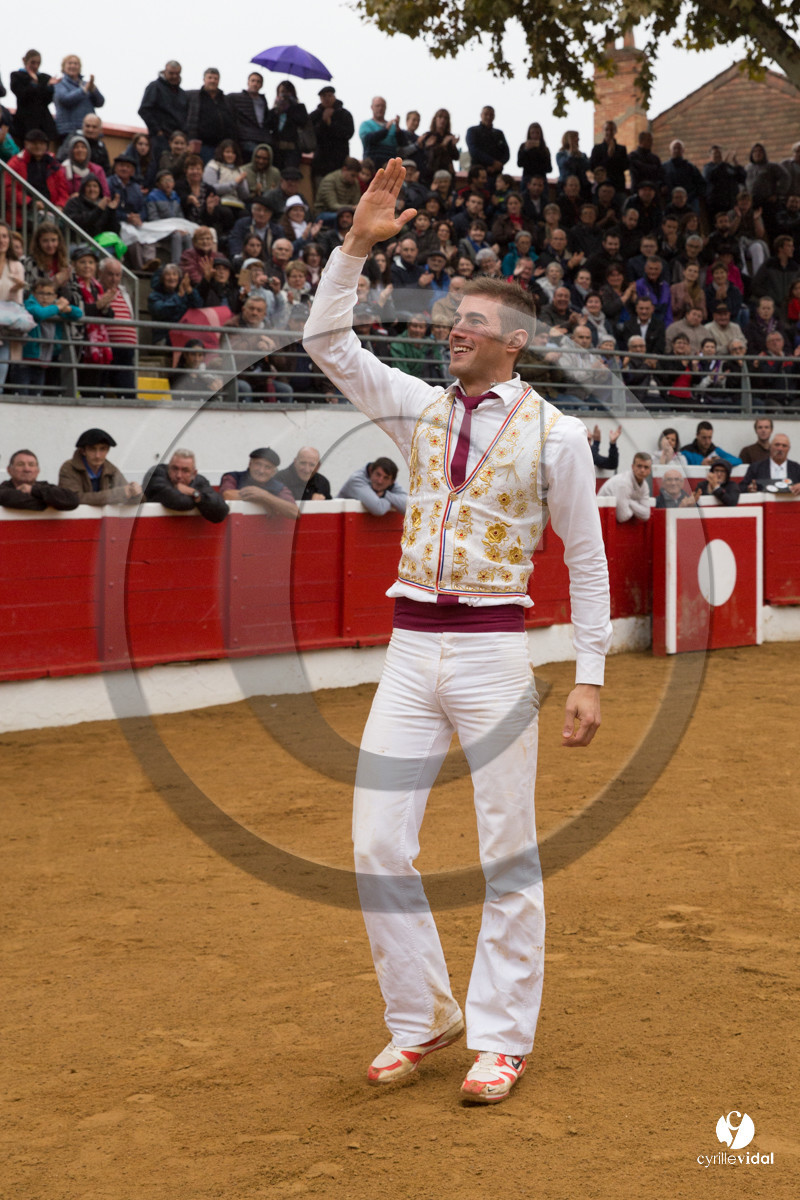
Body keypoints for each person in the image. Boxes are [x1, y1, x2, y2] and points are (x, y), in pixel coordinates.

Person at [303, 159, 611, 1105]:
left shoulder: (558, 436)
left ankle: (504, 1038)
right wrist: (355, 246)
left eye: (472, 322)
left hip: (490, 652)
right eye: (453, 320)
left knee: (505, 845)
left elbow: (586, 555)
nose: (455, 331)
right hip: (409, 653)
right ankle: (422, 1017)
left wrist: (590, 672)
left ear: (513, 341)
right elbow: (326, 340)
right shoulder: (421, 412)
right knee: (375, 843)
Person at [59, 428, 142, 505]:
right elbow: (74, 498)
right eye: (92, 449)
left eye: (102, 449)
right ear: (83, 451)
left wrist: (135, 493)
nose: (97, 455)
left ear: (108, 450)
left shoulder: (112, 470)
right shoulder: (69, 468)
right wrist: (121, 493)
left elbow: (134, 497)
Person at [144, 449, 229, 522]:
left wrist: (195, 494)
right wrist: (199, 501)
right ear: (168, 468)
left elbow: (221, 511)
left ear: (194, 474)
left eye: (185, 471)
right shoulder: (158, 473)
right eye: (175, 468)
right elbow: (180, 501)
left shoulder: (199, 481)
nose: (179, 475)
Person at [219, 447, 298, 517]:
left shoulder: (280, 487)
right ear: (250, 464)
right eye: (258, 464)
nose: (261, 471)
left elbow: (295, 512)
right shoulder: (233, 477)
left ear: (274, 471)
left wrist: (265, 497)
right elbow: (227, 495)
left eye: (267, 467)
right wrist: (260, 500)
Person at [0, 449, 79, 511]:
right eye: (20, 464)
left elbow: (73, 500)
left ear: (38, 470)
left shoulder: (44, 486)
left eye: (31, 465)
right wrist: (50, 502)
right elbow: (12, 499)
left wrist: (32, 490)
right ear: (9, 470)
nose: (27, 469)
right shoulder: (3, 490)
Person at [186, 68, 237, 164]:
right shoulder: (194, 96)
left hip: (223, 146)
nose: (213, 81)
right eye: (210, 78)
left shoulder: (225, 99)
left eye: (215, 78)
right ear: (204, 79)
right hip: (203, 145)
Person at [138, 61, 188, 158]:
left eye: (177, 74)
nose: (174, 76)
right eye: (171, 73)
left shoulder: (182, 94)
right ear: (165, 71)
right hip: (160, 138)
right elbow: (144, 110)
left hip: (177, 141)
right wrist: (157, 131)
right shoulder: (155, 87)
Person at [9, 51, 58, 145]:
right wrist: (33, 83)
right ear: (25, 61)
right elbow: (21, 95)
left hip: (44, 123)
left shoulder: (45, 78)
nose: (35, 66)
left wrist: (49, 87)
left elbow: (46, 100)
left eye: (38, 63)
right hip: (24, 123)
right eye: (33, 62)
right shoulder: (17, 76)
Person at [53, 55, 104, 143]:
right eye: (70, 63)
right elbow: (65, 99)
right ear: (64, 67)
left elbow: (100, 103)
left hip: (87, 131)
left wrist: (94, 90)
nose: (73, 66)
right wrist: (83, 90)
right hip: (68, 131)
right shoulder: (59, 84)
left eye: (76, 64)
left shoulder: (85, 84)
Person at [311, 86, 355, 184]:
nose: (327, 99)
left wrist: (331, 124)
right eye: (324, 96)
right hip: (321, 164)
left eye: (329, 95)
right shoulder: (315, 115)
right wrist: (323, 122)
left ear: (334, 96)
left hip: (339, 162)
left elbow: (348, 133)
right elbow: (311, 136)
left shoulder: (344, 114)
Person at [338, 457, 409, 515]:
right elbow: (379, 508)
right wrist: (394, 501)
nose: (380, 481)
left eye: (386, 478)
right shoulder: (356, 480)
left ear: (392, 482)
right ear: (370, 471)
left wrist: (385, 494)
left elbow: (410, 507)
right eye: (378, 474)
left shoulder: (390, 484)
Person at [265, 80, 309, 170]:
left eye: (287, 92)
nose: (284, 95)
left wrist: (289, 108)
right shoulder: (275, 110)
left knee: (290, 173)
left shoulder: (299, 108)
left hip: (292, 149)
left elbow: (302, 122)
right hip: (276, 149)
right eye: (282, 92)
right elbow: (267, 125)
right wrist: (277, 110)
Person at [598, 453, 652, 522]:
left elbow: (646, 514)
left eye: (646, 467)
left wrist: (629, 502)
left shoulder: (644, 485)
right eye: (639, 466)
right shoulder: (624, 483)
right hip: (602, 519)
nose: (642, 470)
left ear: (650, 470)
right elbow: (623, 516)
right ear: (632, 467)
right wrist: (637, 506)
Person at [359, 96, 407, 167]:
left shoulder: (393, 127)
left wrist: (398, 130)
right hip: (371, 167)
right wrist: (386, 130)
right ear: (372, 107)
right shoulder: (366, 124)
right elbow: (369, 139)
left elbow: (402, 144)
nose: (380, 108)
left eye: (383, 106)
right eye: (377, 106)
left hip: (389, 165)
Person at [229, 72, 268, 157]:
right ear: (248, 82)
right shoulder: (236, 97)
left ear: (261, 85)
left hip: (261, 137)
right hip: (246, 137)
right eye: (253, 81)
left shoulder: (262, 101)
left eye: (258, 82)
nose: (255, 84)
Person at [465, 106, 509, 178]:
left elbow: (506, 153)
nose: (488, 117)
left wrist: (499, 164)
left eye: (491, 115)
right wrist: (492, 162)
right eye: (486, 114)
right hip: (477, 174)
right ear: (481, 115)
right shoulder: (473, 131)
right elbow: (473, 150)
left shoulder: (499, 133)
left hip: (496, 174)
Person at [589, 121, 628, 194]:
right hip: (601, 186)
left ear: (615, 131)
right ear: (603, 131)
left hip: (618, 186)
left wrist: (613, 156)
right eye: (607, 130)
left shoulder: (621, 149)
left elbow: (625, 166)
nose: (609, 132)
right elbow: (592, 167)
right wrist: (608, 156)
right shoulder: (597, 149)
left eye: (611, 130)